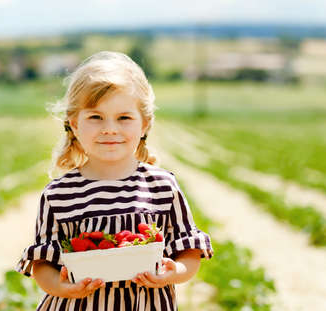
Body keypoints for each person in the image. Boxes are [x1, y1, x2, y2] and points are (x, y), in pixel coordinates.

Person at [15, 51, 214, 310]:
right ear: (75, 124)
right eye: (95, 117)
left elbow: (188, 251)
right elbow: (43, 264)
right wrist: (63, 287)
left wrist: (173, 271)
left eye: (124, 118)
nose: (110, 129)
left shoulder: (163, 188)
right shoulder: (59, 194)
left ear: (144, 124)